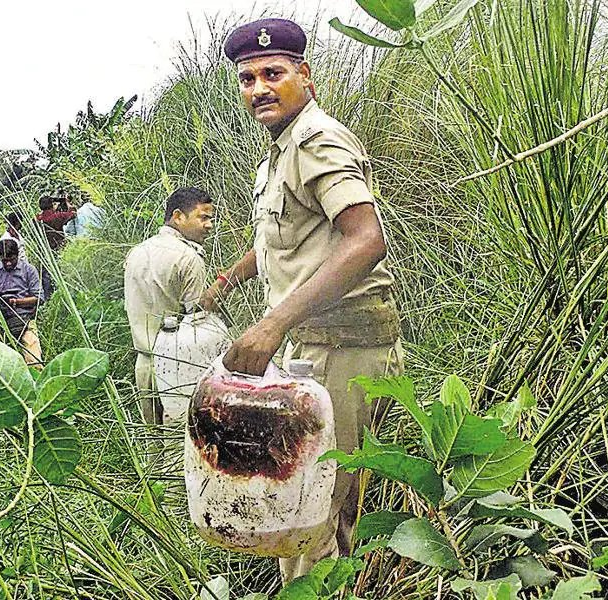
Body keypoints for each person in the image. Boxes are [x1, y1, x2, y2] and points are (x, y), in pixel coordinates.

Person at [199, 18, 404, 583]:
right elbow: (280, 240)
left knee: (308, 517)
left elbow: (366, 239)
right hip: (315, 348)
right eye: (247, 79)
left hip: (343, 350)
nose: (259, 87)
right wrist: (228, 280)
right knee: (318, 513)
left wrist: (270, 326)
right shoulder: (279, 154)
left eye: (273, 73)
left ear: (304, 76)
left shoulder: (319, 141)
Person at [124, 187, 214, 424]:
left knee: (152, 444)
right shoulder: (189, 258)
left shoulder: (137, 252)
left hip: (143, 364)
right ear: (178, 217)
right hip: (177, 368)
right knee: (179, 444)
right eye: (203, 217)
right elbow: (197, 322)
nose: (209, 225)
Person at [0, 238, 44, 368]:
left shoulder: (28, 270)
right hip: (1, 321)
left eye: (11, 259)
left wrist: (16, 302)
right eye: (4, 260)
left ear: (17, 255)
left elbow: (39, 298)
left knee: (35, 362)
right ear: (0, 256)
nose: (7, 264)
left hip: (25, 321)